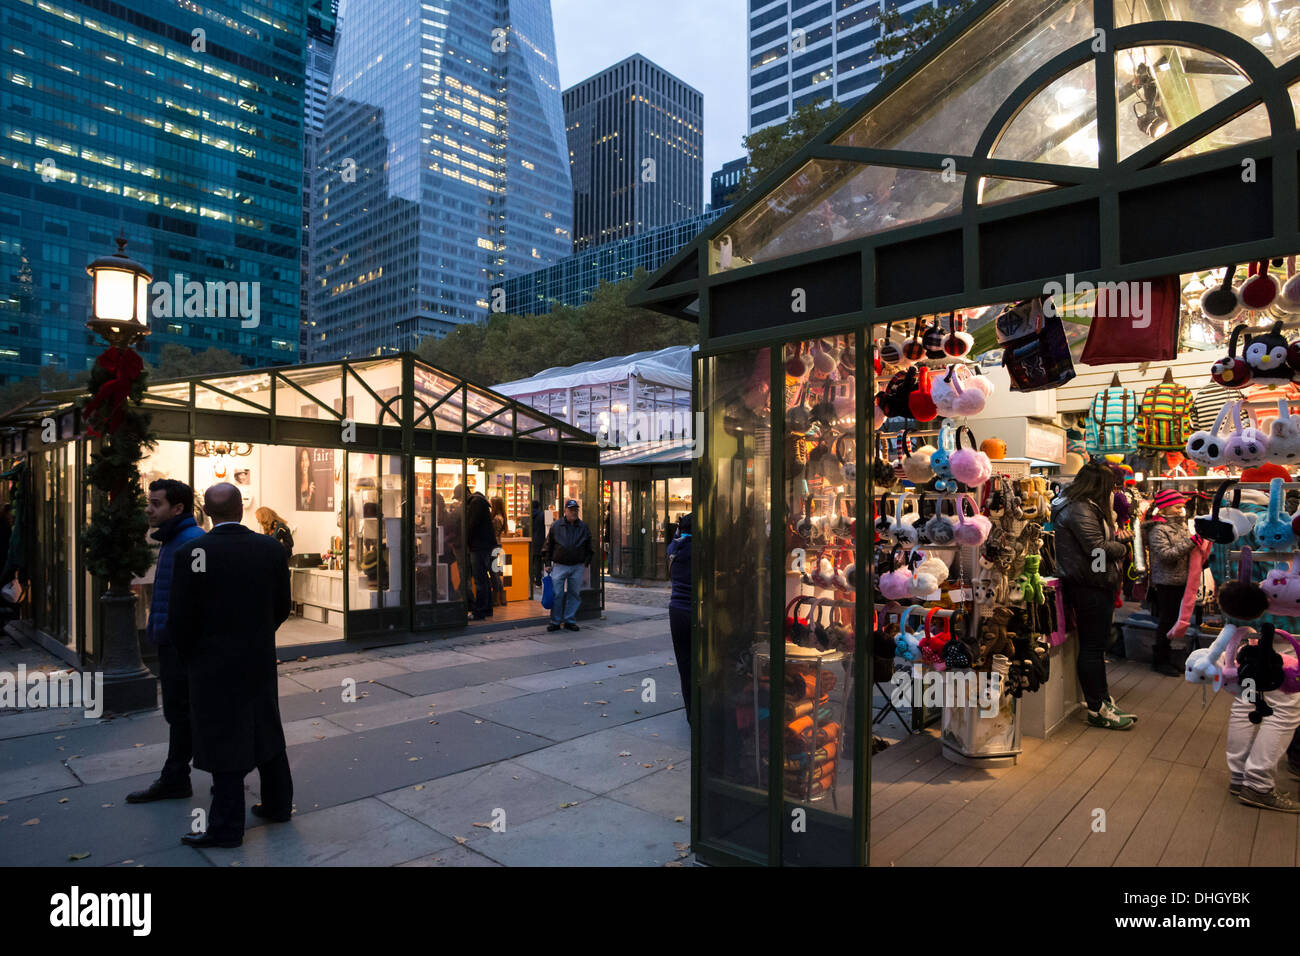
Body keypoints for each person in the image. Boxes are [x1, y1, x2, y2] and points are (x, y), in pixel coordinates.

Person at [167, 482, 293, 848]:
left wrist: (194, 654)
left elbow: (179, 619)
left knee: (224, 738)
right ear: (241, 510)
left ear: (207, 512)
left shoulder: (193, 553)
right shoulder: (270, 548)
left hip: (212, 664)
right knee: (266, 726)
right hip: (256, 656)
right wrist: (258, 635)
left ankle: (225, 827)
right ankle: (278, 804)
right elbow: (282, 605)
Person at [125, 479, 205, 804]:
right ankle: (179, 776)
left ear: (177, 508)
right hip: (171, 641)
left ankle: (181, 777)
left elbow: (203, 598)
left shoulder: (192, 542)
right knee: (181, 713)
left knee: (185, 712)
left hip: (180, 646)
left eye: (155, 503)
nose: (148, 509)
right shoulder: (175, 540)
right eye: (149, 502)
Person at [1051, 460, 1137, 730]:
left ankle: (1101, 700)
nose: (1113, 491)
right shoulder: (1080, 508)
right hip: (1090, 585)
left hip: (1092, 582)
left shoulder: (1079, 505)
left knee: (1095, 646)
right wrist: (1122, 547)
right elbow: (1097, 550)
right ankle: (1097, 707)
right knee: (1093, 647)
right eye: (1110, 486)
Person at [1228, 626, 1300, 812]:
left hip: (1248, 624)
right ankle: (1257, 784)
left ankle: (1239, 777)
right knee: (1285, 709)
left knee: (1246, 699)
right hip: (1287, 630)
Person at [1142, 489, 1196, 677]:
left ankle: (1169, 656)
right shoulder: (1158, 530)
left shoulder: (1182, 526)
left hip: (1183, 580)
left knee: (1177, 620)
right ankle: (1160, 660)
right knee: (1167, 620)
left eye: (1182, 506)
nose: (1181, 510)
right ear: (1164, 508)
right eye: (1177, 506)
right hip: (1167, 581)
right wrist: (1192, 543)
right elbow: (1166, 556)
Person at [543, 498, 593, 632]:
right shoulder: (556, 526)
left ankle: (570, 620)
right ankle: (555, 621)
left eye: (576, 510)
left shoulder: (583, 527)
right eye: (571, 510)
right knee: (557, 593)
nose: (574, 512)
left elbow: (589, 546)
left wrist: (586, 561)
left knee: (574, 594)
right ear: (565, 511)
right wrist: (547, 563)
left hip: (577, 565)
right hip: (560, 565)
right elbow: (548, 546)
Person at [667, 513, 692, 723]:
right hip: (695, 611)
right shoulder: (698, 550)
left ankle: (690, 712)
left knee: (684, 665)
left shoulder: (674, 547)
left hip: (676, 610)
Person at [463, 484, 495, 619]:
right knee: (484, 579)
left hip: (479, 547)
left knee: (480, 580)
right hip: (485, 546)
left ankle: (480, 611)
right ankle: (487, 608)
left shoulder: (475, 503)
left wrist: (465, 541)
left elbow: (471, 525)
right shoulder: (480, 501)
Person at [530, 499, 545, 587]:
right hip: (539, 541)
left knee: (530, 562)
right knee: (538, 562)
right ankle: (538, 581)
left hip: (530, 541)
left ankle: (531, 580)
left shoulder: (528, 515)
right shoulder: (542, 515)